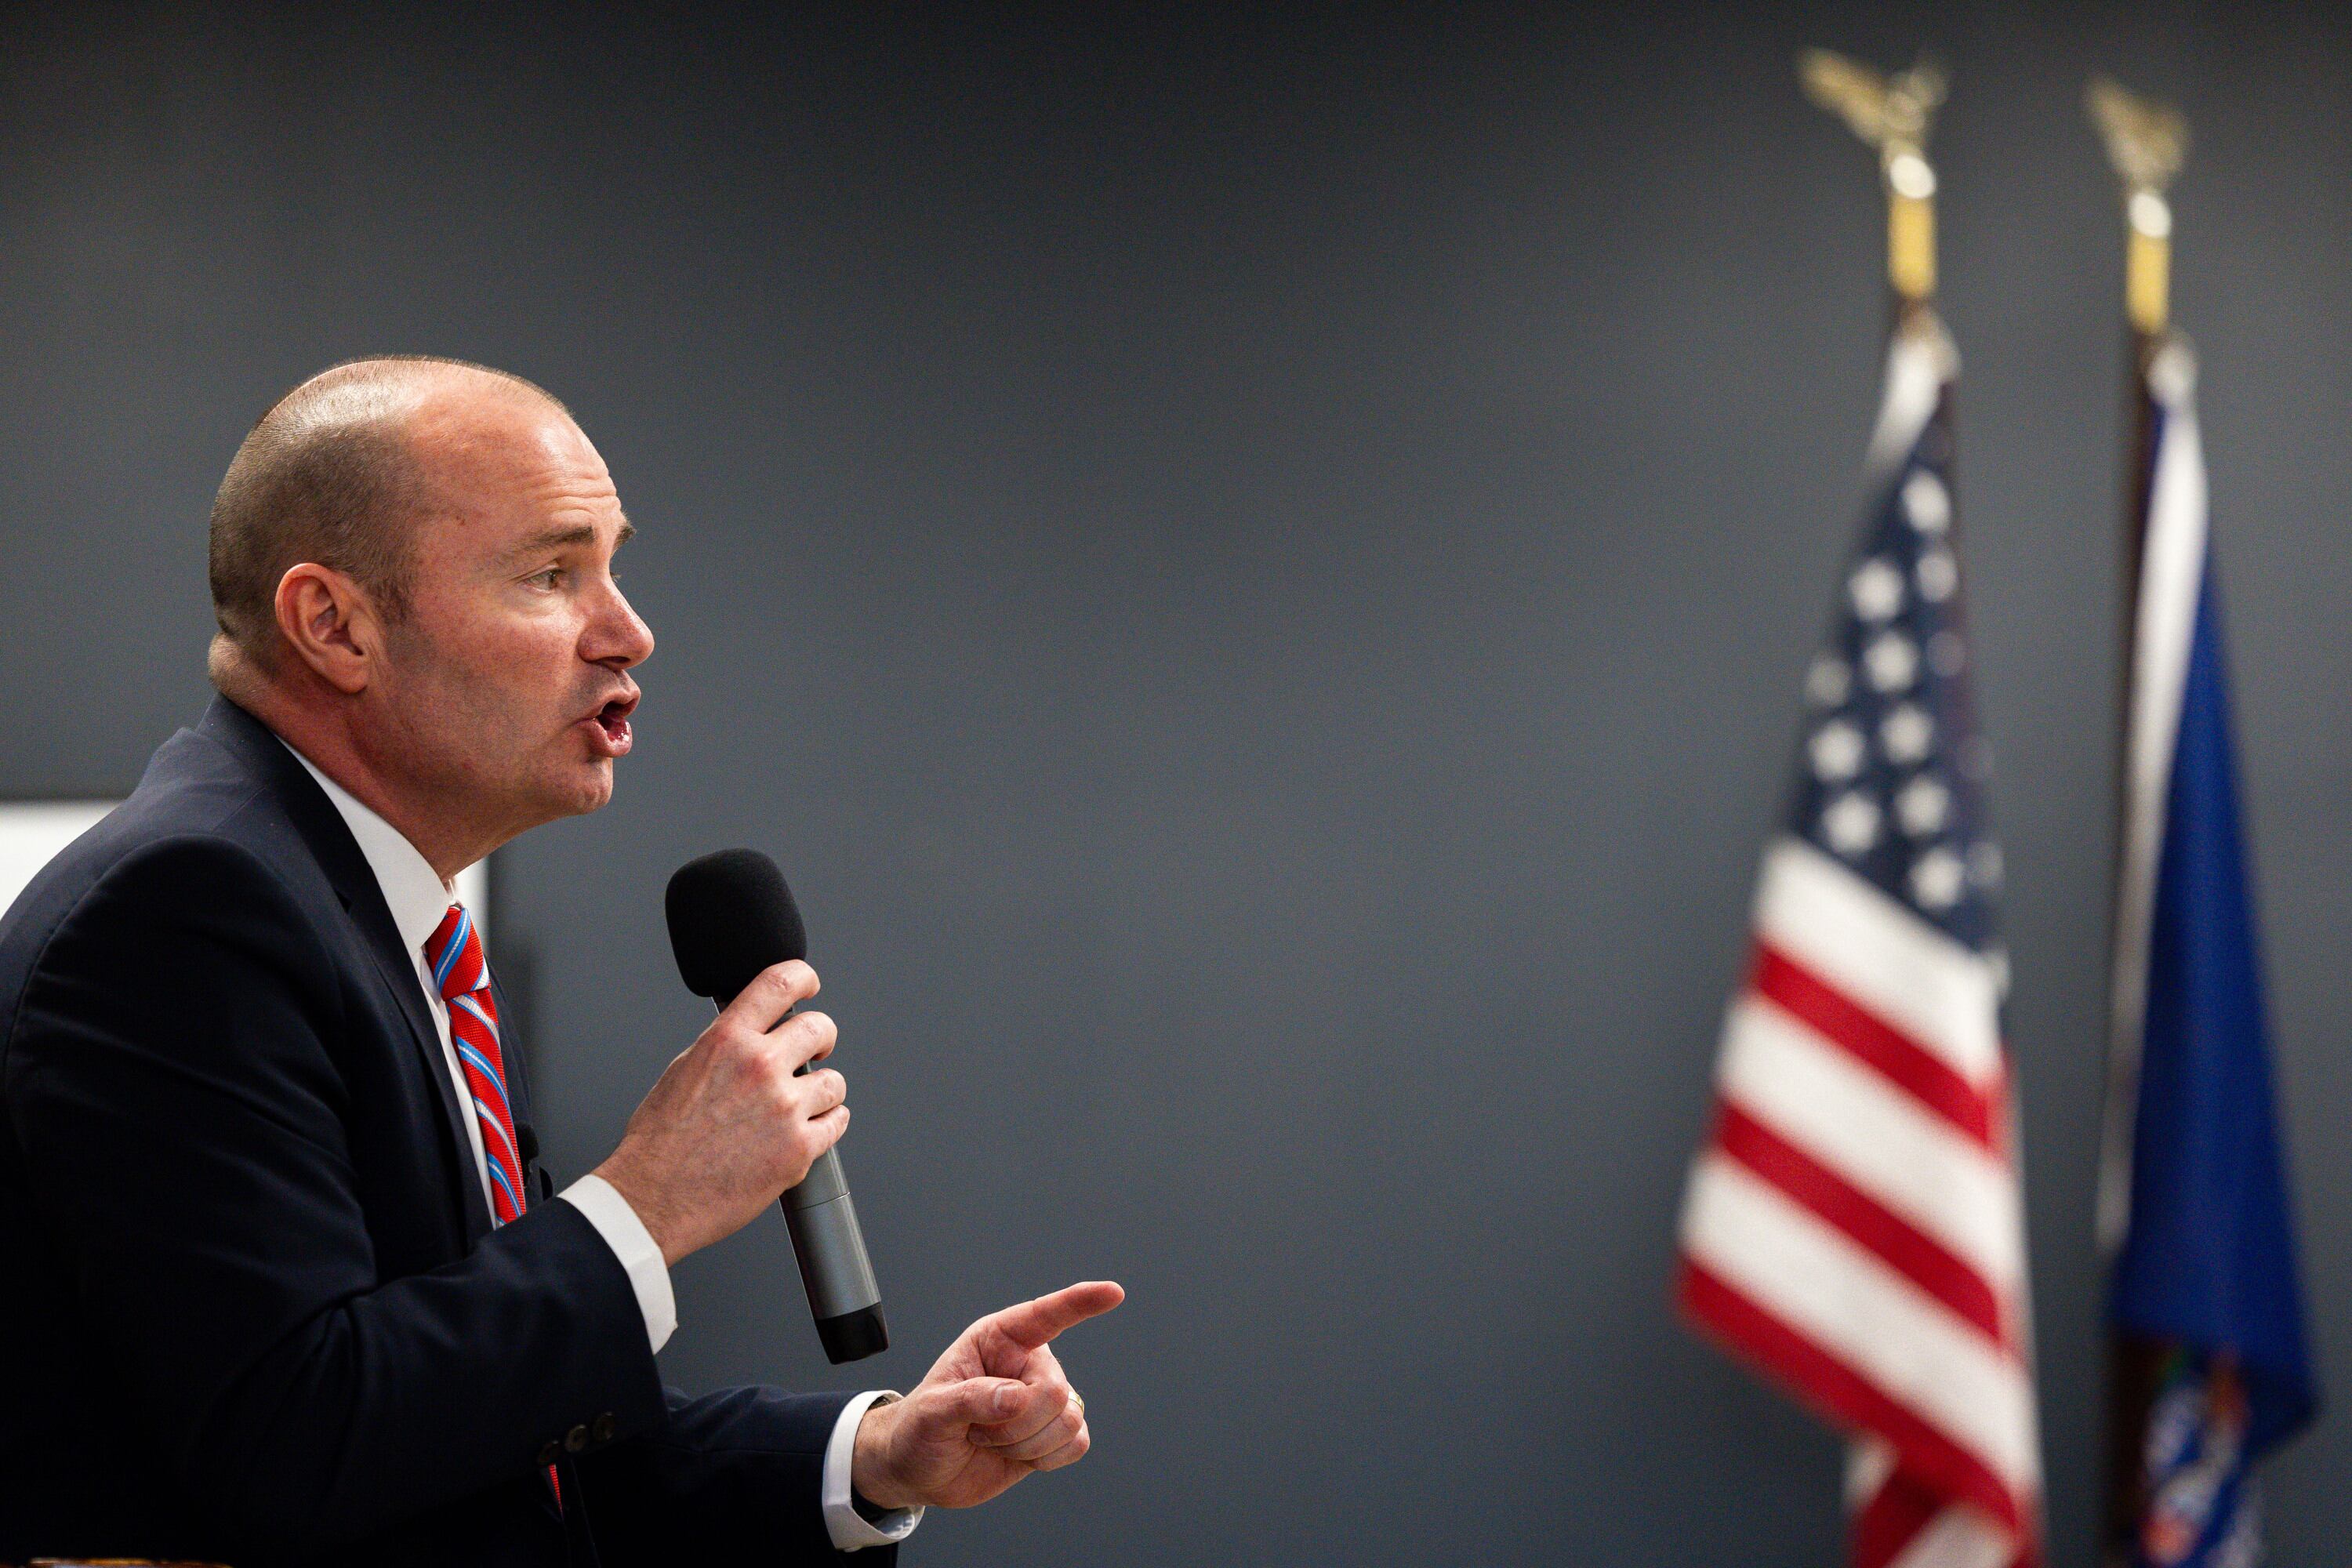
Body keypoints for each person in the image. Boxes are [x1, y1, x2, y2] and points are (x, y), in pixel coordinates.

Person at [0, 357, 1123, 1567]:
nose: (629, 630)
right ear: (335, 626)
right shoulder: (185, 911)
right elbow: (301, 1438)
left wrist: (874, 1457)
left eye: (614, 564)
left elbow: (494, 1452)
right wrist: (647, 1204)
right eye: (551, 573)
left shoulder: (383, 922)